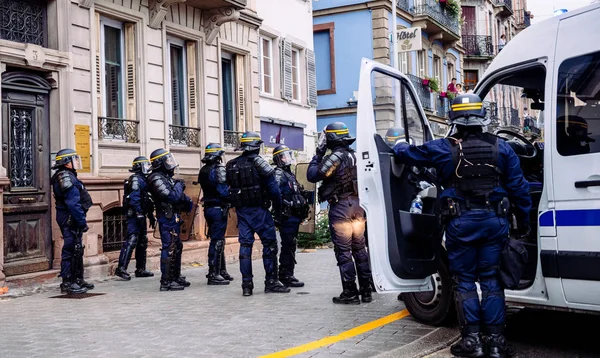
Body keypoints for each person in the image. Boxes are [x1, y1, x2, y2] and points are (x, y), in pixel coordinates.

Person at [392, 93, 531, 358]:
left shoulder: (442, 148)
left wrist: (396, 146)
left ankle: (472, 343)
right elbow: (520, 190)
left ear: (453, 118)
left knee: (465, 281)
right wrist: (522, 223)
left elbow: (410, 154)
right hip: (494, 222)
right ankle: (496, 343)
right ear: (482, 117)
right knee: (491, 281)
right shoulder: (503, 148)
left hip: (460, 224)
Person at [307, 122, 373, 305]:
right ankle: (366, 290)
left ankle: (350, 292)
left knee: (344, 251)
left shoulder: (336, 157)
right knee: (360, 249)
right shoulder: (355, 155)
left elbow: (313, 175)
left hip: (342, 208)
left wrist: (319, 152)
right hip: (358, 206)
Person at [226, 132, 289, 296]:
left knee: (245, 247)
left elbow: (228, 190)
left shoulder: (231, 164)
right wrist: (278, 208)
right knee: (269, 245)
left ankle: (246, 286)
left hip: (242, 212)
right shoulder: (259, 163)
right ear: (256, 146)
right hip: (259, 211)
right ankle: (271, 282)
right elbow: (274, 189)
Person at [147, 149, 193, 291]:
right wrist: (179, 185)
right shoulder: (156, 178)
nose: (170, 164)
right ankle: (166, 281)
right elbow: (172, 196)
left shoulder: (165, 177)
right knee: (169, 247)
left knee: (177, 246)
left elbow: (179, 197)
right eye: (167, 161)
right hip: (167, 217)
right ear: (160, 163)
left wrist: (188, 202)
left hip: (174, 216)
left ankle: (175, 276)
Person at [51, 148, 95, 294]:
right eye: (74, 160)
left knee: (77, 248)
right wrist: (82, 221)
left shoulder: (70, 175)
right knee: (70, 249)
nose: (76, 162)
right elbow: (73, 203)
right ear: (66, 162)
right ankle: (67, 282)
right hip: (70, 218)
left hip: (73, 218)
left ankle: (77, 278)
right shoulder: (65, 177)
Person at [272, 144, 309, 288]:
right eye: (283, 156)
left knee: (291, 244)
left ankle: (288, 273)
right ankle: (285, 275)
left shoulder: (289, 173)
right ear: (278, 159)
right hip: (286, 216)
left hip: (293, 216)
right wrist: (285, 206)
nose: (287, 159)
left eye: (288, 155)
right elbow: (276, 195)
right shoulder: (279, 174)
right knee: (287, 245)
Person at [115, 157, 156, 280]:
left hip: (141, 213)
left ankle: (140, 269)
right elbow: (134, 197)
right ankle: (121, 268)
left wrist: (150, 215)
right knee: (132, 239)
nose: (148, 168)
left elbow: (147, 199)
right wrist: (138, 212)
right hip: (134, 214)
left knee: (142, 241)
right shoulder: (136, 179)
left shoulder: (144, 180)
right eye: (145, 165)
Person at [198, 143, 233, 285]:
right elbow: (223, 191)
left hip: (209, 207)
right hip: (218, 207)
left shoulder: (204, 169)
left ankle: (221, 270)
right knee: (217, 240)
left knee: (218, 239)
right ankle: (214, 273)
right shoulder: (219, 169)